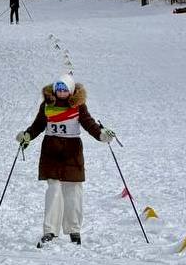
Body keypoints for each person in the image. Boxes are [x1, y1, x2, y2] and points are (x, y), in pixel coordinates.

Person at [15, 74, 115, 246]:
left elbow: (89, 123)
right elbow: (38, 124)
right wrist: (27, 135)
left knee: (73, 191)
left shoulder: (78, 106)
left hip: (72, 152)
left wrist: (101, 134)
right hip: (51, 152)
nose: (61, 92)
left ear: (70, 91)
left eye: (64, 89)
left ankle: (73, 229)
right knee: (53, 190)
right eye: (58, 88)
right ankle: (50, 231)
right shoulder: (47, 105)